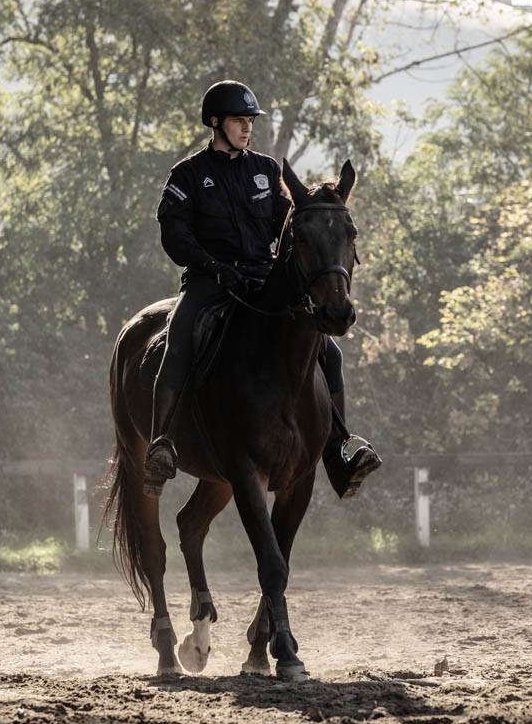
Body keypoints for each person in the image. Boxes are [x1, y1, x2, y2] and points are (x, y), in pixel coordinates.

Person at [145, 79, 381, 499]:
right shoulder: (187, 176)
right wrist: (214, 267)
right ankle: (161, 443)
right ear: (215, 123)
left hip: (260, 280)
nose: (246, 128)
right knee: (179, 337)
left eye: (250, 121)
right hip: (208, 282)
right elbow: (175, 237)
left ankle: (339, 450)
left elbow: (285, 226)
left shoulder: (267, 171)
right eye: (239, 121)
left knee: (329, 350)